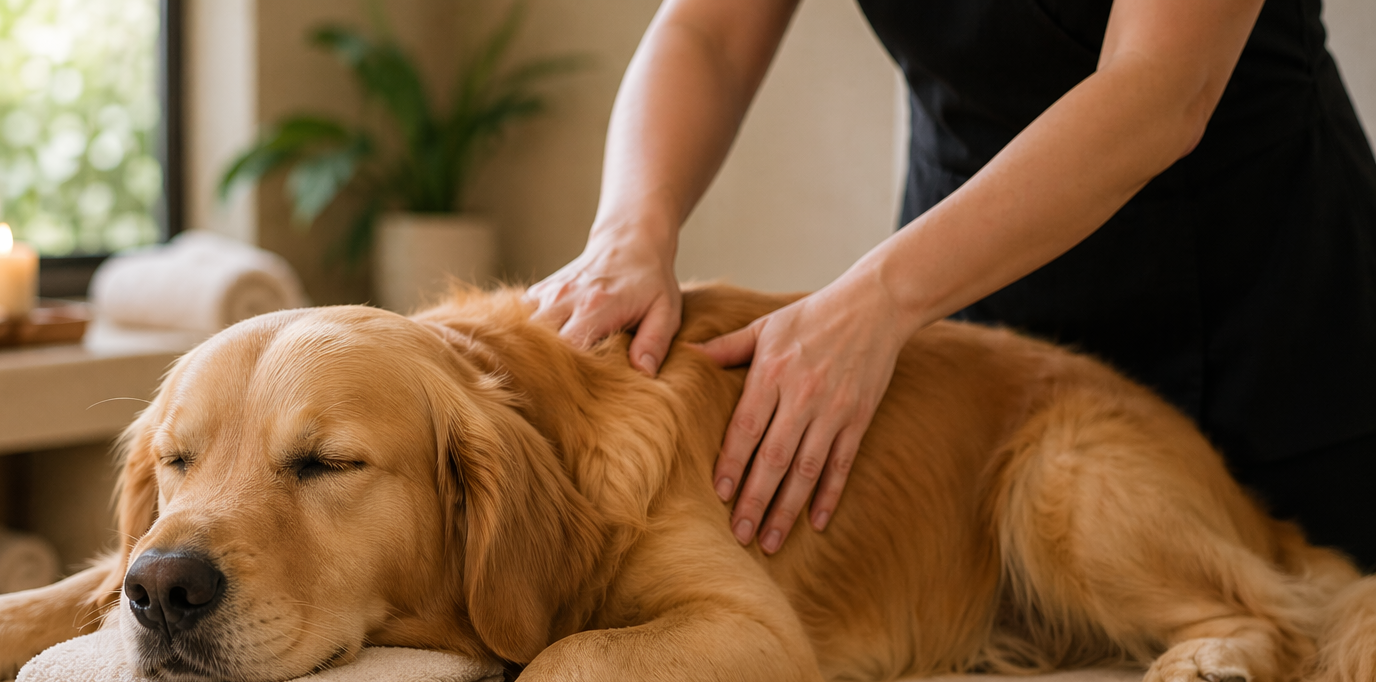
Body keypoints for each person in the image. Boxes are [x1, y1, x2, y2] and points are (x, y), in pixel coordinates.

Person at [527, 0, 1376, 570]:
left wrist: (880, 298)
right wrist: (630, 230)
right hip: (980, 319)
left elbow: (1163, 86)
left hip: (1265, 311)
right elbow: (706, 35)